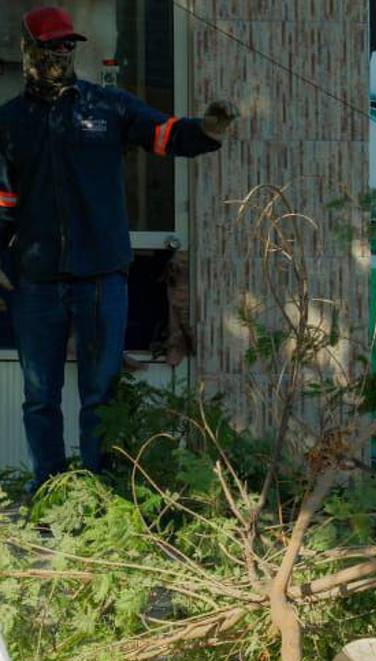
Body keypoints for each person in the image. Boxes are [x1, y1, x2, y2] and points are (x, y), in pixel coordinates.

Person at [0, 6, 237, 492]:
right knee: (39, 397)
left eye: (68, 44)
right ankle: (48, 491)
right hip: (37, 283)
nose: (62, 52)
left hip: (102, 277)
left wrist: (208, 130)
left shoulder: (107, 107)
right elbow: (2, 202)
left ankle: (101, 491)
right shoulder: (9, 122)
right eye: (51, 45)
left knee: (100, 395)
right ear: (29, 49)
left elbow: (166, 134)